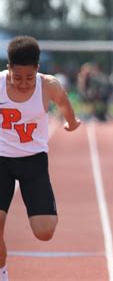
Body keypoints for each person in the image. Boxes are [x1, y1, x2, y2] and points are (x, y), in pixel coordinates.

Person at [0, 36, 81, 280]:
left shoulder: (49, 85)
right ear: (8, 69)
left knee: (44, 231)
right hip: (1, 160)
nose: (23, 84)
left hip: (33, 161)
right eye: (17, 77)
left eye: (28, 78)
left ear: (37, 69)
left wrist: (72, 123)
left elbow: (64, 104)